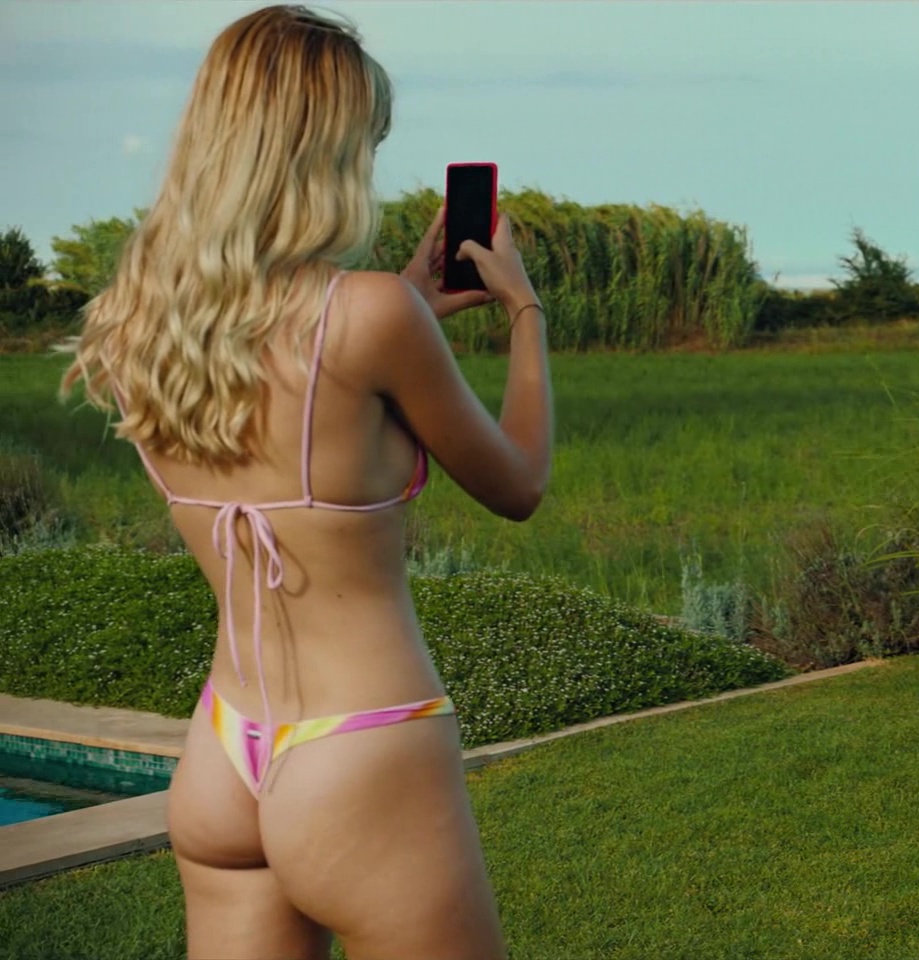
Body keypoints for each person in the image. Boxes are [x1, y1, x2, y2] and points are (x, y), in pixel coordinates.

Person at [56, 6, 551, 956]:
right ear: (324, 152)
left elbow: (296, 368)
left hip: (223, 747)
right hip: (364, 743)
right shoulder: (372, 316)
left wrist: (409, 300)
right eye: (367, 144)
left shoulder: (135, 322)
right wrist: (524, 309)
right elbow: (519, 482)